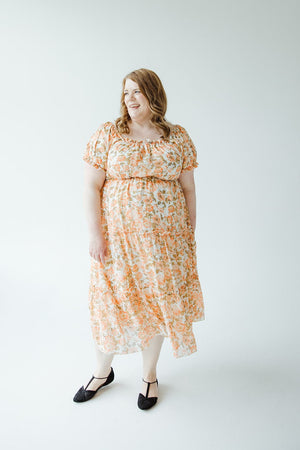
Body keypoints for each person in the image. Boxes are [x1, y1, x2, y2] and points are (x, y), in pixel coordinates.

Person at [73, 68, 205, 410]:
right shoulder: (110, 133)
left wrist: (188, 234)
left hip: (165, 245)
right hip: (117, 243)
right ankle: (102, 372)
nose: (130, 99)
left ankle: (149, 375)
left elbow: (188, 188)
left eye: (137, 92)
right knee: (110, 303)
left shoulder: (176, 137)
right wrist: (95, 234)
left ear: (153, 95)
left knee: (156, 305)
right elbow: (91, 186)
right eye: (126, 92)